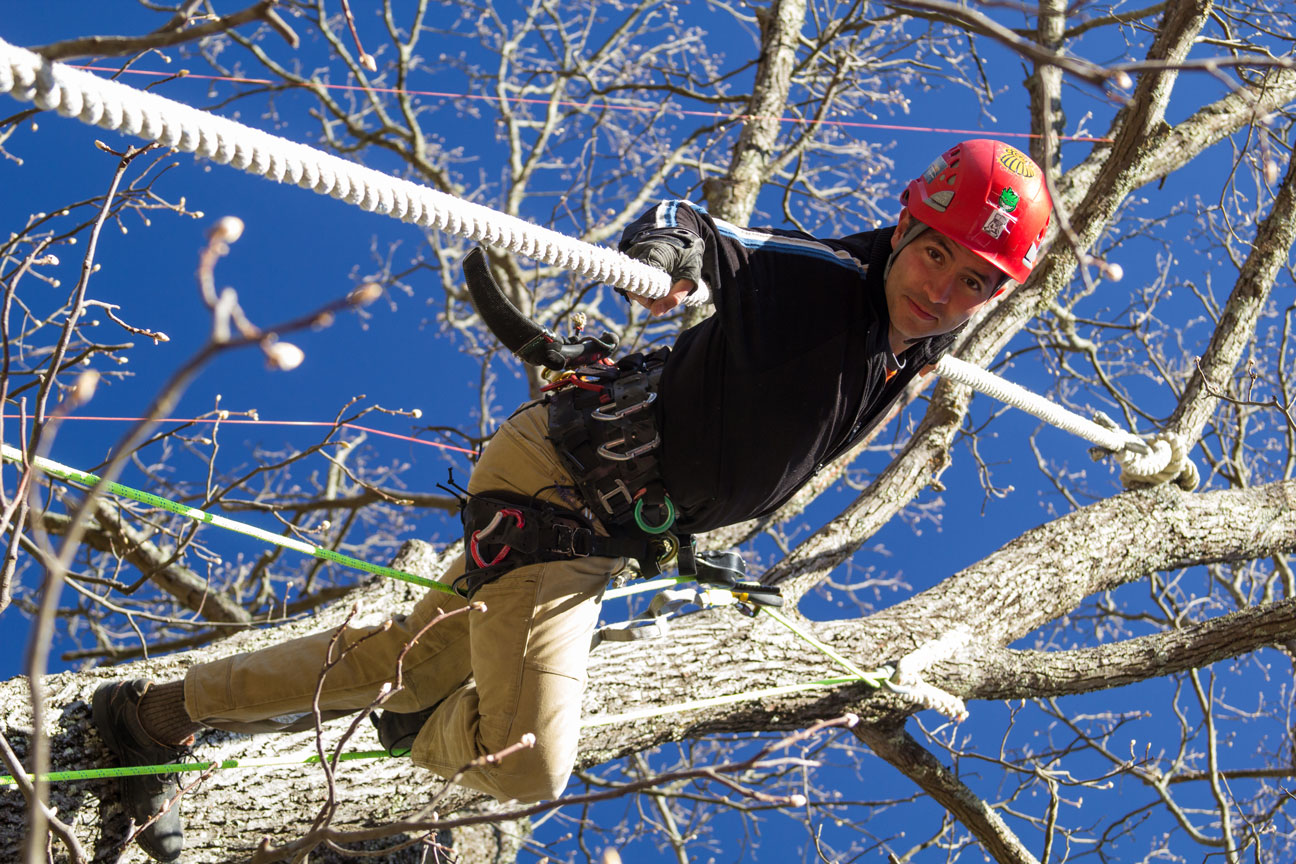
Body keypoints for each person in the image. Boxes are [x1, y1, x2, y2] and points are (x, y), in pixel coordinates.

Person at [90, 138, 1052, 861]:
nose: (943, 291)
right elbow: (695, 226)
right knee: (525, 762)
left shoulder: (914, 348)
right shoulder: (814, 280)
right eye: (935, 259)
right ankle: (405, 732)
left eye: (975, 282)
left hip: (602, 520)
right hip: (561, 490)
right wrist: (668, 258)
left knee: (399, 661)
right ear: (905, 231)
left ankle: (154, 717)